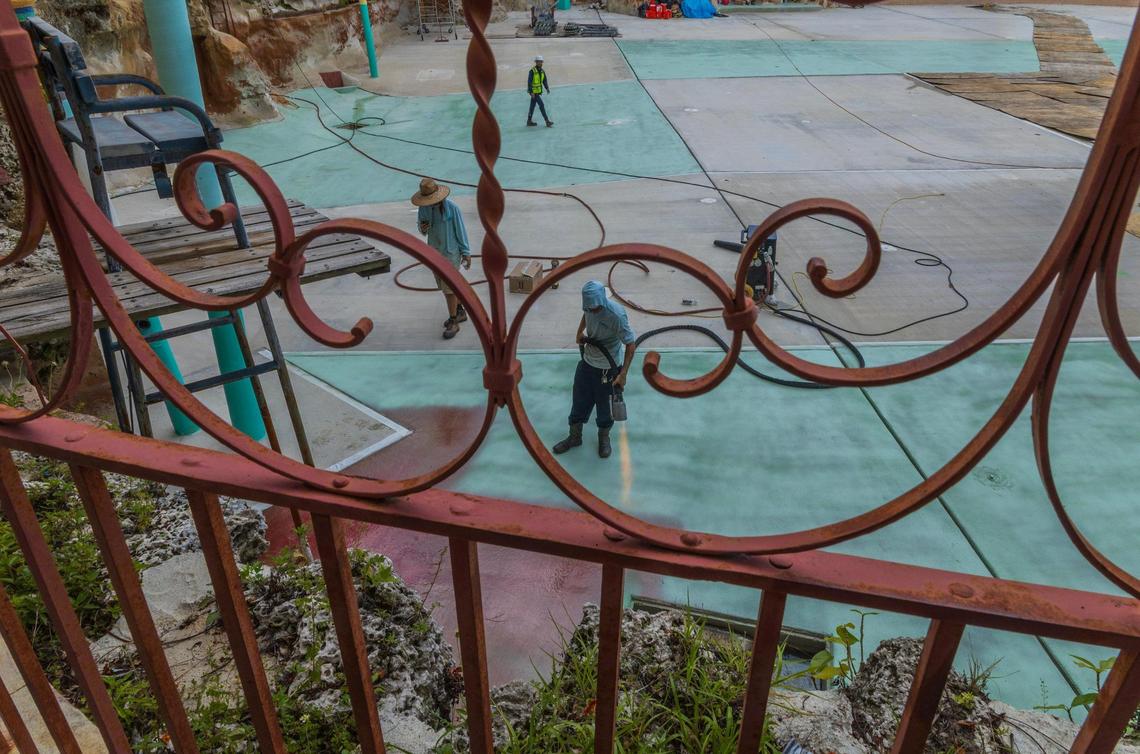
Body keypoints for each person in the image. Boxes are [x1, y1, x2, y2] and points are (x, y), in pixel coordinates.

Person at [552, 281, 637, 459]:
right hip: (588, 363)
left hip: (608, 370)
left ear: (603, 301)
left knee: (604, 407)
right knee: (579, 402)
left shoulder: (616, 315)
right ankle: (575, 437)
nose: (592, 311)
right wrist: (579, 332)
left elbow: (630, 344)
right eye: (589, 308)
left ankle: (604, 439)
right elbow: (586, 314)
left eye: (596, 308)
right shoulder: (590, 307)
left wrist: (623, 375)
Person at [412, 178, 471, 339]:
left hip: (450, 253)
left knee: (449, 289)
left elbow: (461, 231)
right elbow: (423, 229)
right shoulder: (424, 209)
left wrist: (466, 252)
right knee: (444, 285)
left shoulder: (452, 209)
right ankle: (459, 311)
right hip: (434, 252)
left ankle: (453, 321)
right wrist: (423, 228)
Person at [527, 55, 554, 128]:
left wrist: (547, 88)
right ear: (536, 62)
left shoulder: (542, 71)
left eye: (541, 62)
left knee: (532, 106)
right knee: (541, 105)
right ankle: (547, 121)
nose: (540, 63)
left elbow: (544, 80)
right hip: (534, 93)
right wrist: (531, 92)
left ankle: (529, 121)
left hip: (537, 92)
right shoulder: (532, 71)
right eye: (539, 62)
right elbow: (529, 82)